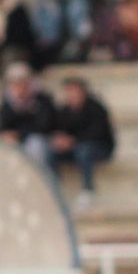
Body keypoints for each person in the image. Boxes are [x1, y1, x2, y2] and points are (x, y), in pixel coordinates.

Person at [50, 77, 115, 210]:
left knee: (84, 150)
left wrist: (74, 141)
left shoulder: (96, 108)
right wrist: (60, 140)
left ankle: (88, 189)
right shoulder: (64, 110)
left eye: (75, 90)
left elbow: (98, 133)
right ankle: (55, 188)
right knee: (50, 151)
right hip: (75, 149)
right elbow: (58, 129)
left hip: (100, 148)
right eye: (69, 91)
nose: (72, 94)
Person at [0, 62, 56, 166]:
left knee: (35, 144)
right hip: (18, 140)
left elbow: (43, 126)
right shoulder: (8, 103)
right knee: (7, 145)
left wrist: (19, 133)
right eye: (15, 83)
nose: (20, 86)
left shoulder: (42, 99)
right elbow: (2, 127)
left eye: (22, 82)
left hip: (41, 140)